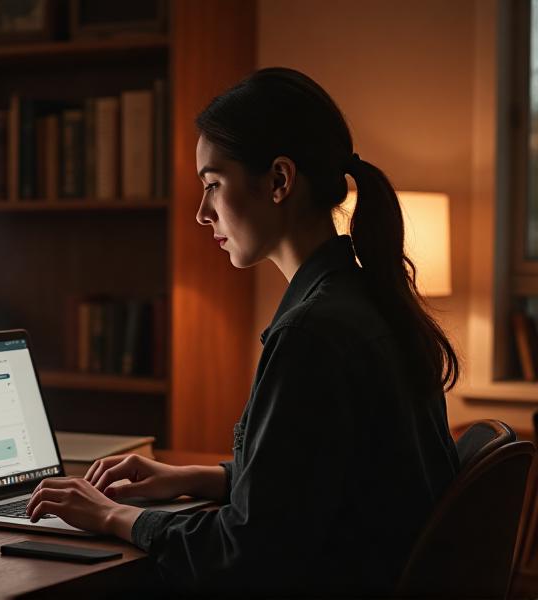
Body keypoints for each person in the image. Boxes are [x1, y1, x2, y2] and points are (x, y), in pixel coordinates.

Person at [26, 67, 460, 596]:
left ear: (279, 181)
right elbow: (329, 478)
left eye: (213, 184)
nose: (201, 212)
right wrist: (199, 477)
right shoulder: (367, 301)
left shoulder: (312, 333)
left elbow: (245, 555)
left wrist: (114, 517)